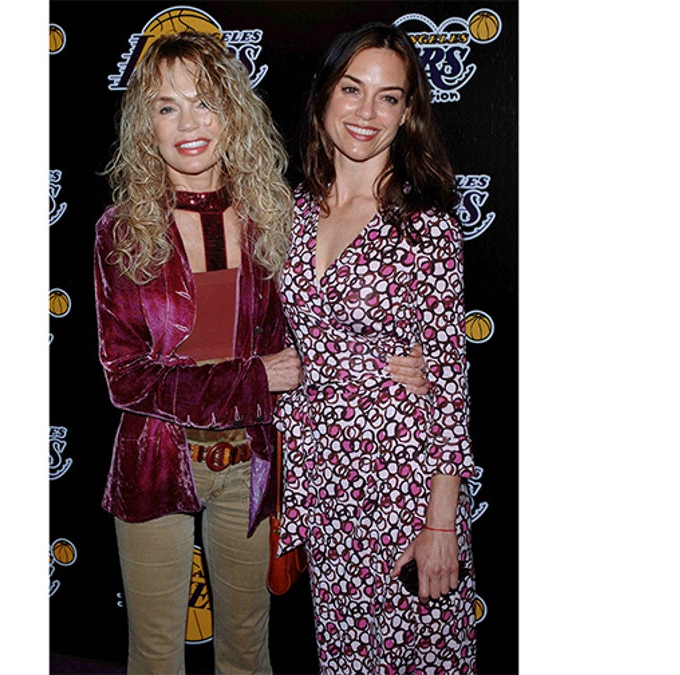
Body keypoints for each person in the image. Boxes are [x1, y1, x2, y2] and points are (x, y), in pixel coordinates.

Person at [92, 30, 428, 674]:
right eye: (167, 107)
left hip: (251, 464)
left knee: (248, 650)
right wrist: (250, 379)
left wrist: (383, 360)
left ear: (233, 113)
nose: (189, 124)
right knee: (155, 654)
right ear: (146, 124)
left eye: (206, 102)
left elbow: (317, 325)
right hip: (157, 458)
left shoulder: (273, 213)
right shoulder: (121, 230)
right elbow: (128, 380)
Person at [273, 22, 478, 673]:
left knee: (419, 656)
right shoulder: (289, 214)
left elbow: (447, 381)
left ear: (407, 111)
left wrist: (440, 522)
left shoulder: (425, 228)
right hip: (323, 483)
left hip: (402, 485)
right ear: (323, 96)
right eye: (352, 89)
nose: (366, 112)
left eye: (388, 97)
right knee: (345, 656)